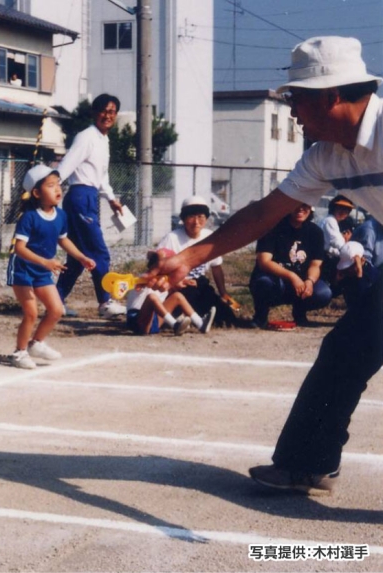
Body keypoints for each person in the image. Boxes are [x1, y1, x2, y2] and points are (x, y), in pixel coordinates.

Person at [149, 36, 383, 495]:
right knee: (345, 353)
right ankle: (305, 464)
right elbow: (261, 215)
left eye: (297, 99)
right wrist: (189, 257)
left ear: (331, 95)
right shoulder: (325, 157)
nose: (291, 110)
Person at [7, 164, 95, 370]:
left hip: (42, 270)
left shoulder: (61, 215)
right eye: (51, 185)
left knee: (57, 310)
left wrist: (81, 257)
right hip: (22, 269)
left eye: (58, 185)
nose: (58, 189)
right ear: (36, 192)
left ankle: (36, 343)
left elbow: (63, 240)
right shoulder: (28, 217)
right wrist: (46, 262)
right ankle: (19, 353)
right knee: (31, 313)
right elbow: (19, 249)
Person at [54, 93, 127, 320]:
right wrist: (51, 185)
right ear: (95, 113)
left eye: (112, 112)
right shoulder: (86, 136)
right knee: (98, 252)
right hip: (79, 197)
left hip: (89, 196)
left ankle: (55, 302)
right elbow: (69, 163)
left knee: (76, 259)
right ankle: (105, 302)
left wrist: (112, 199)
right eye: (104, 111)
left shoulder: (103, 140)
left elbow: (101, 176)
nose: (108, 115)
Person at [156, 196, 238, 326]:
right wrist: (175, 282)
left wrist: (223, 293)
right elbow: (157, 268)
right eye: (191, 217)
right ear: (183, 219)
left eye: (201, 217)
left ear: (206, 218)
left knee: (227, 317)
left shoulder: (209, 237)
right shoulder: (172, 238)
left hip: (200, 286)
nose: (196, 222)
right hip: (178, 287)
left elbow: (216, 267)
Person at [249, 203, 332, 327]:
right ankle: (261, 316)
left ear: (311, 208)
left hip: (301, 282)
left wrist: (309, 281)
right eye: (296, 204)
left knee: (323, 293)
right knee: (264, 283)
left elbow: (316, 264)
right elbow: (264, 262)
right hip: (276, 280)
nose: (300, 208)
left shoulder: (316, 232)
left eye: (305, 205)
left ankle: (300, 313)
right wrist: (292, 276)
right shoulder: (272, 227)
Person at [125, 248, 216, 336]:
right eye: (154, 261)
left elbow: (172, 288)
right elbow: (140, 284)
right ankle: (175, 325)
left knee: (177, 296)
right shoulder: (144, 278)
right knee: (152, 297)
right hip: (137, 319)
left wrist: (181, 282)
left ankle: (200, 323)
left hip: (153, 320)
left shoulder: (165, 282)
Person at [333, 240, 378, 309]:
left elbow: (361, 296)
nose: (348, 269)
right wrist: (337, 281)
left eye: (351, 266)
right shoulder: (349, 274)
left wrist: (359, 274)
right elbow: (335, 292)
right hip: (354, 310)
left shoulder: (370, 273)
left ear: (362, 260)